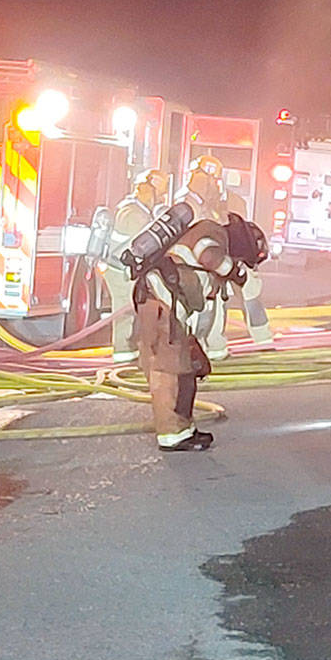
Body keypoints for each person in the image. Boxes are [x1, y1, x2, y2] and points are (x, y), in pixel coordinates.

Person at [133, 209, 267, 451]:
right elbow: (208, 255)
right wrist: (234, 271)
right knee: (169, 372)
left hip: (168, 307)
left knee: (183, 369)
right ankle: (172, 435)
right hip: (162, 304)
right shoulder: (213, 232)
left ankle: (184, 430)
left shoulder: (209, 233)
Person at [183, 157, 274, 356]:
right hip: (203, 264)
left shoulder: (218, 201)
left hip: (221, 260)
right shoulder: (186, 204)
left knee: (229, 297)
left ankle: (257, 339)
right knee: (211, 303)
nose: (210, 184)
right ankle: (210, 347)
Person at [105, 168, 170, 362]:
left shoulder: (138, 211)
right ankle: (122, 352)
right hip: (120, 272)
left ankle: (131, 349)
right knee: (125, 311)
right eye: (158, 194)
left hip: (128, 271)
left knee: (133, 309)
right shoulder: (131, 213)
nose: (159, 199)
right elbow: (145, 242)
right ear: (146, 190)